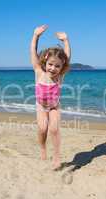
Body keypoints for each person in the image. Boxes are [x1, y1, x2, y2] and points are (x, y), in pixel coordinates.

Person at [30, 25, 71, 170]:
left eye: (57, 66)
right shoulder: (39, 72)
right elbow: (33, 54)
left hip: (54, 106)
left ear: (62, 67)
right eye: (50, 64)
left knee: (54, 129)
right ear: (45, 62)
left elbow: (67, 56)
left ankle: (57, 157)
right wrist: (36, 36)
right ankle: (42, 147)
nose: (53, 68)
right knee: (42, 128)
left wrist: (66, 40)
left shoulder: (60, 76)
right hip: (41, 106)